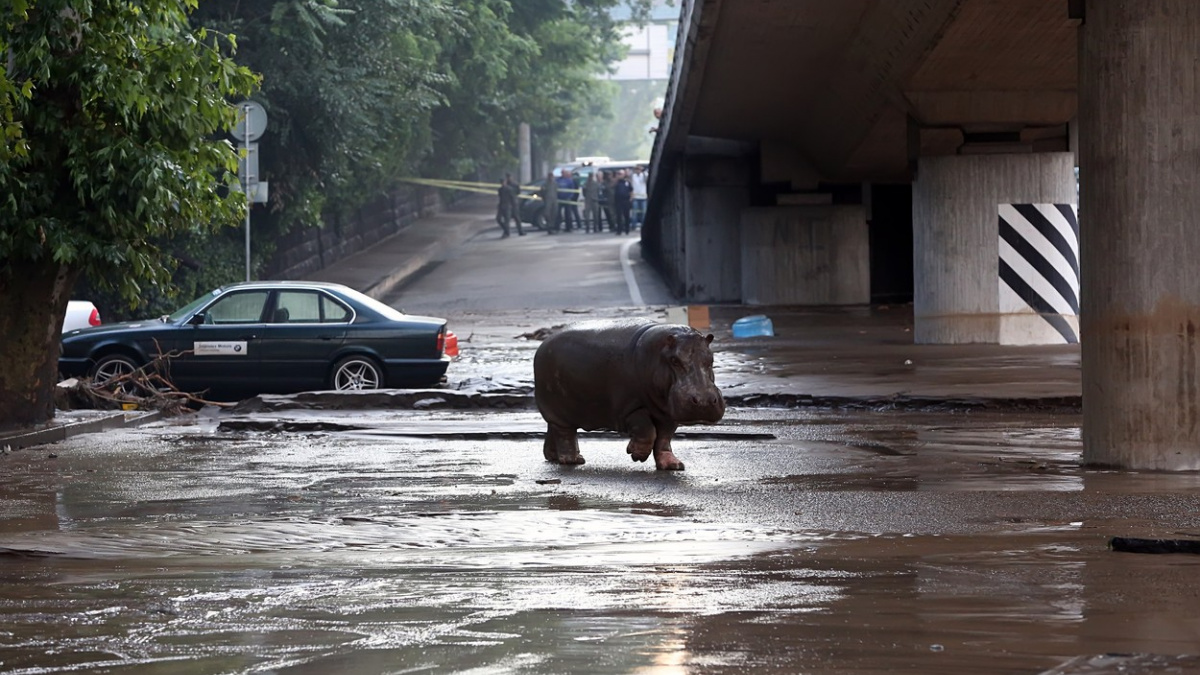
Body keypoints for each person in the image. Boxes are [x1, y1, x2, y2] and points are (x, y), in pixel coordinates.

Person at [496, 173, 522, 237]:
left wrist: (514, 205)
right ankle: (506, 231)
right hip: (504, 205)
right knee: (501, 219)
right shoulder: (501, 189)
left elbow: (517, 193)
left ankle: (519, 231)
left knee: (516, 218)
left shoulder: (514, 185)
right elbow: (501, 197)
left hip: (511, 204)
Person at [555, 168, 580, 233]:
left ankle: (569, 227)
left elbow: (572, 190)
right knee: (558, 214)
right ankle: (557, 227)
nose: (563, 174)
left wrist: (570, 197)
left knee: (568, 214)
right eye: (562, 173)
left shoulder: (569, 181)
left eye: (564, 173)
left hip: (567, 199)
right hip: (559, 199)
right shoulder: (558, 180)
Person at [611, 169, 633, 235]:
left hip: (626, 201)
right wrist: (616, 179)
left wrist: (631, 199)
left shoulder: (627, 182)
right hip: (618, 201)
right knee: (619, 216)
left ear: (624, 175)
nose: (619, 175)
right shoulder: (616, 182)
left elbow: (631, 190)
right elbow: (612, 186)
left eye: (620, 174)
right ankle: (619, 230)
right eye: (618, 174)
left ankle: (627, 229)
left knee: (626, 216)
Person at [629, 165, 648, 230]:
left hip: (643, 196)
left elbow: (646, 179)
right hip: (635, 197)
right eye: (636, 169)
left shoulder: (644, 175)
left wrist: (643, 171)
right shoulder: (633, 176)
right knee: (635, 212)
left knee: (644, 212)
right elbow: (629, 176)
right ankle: (633, 226)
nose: (638, 170)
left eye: (639, 169)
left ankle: (644, 225)